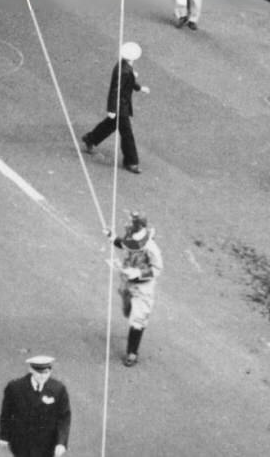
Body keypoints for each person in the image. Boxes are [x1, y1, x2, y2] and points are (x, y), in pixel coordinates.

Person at [81, 42, 147, 173]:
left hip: (121, 104)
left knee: (110, 125)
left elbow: (128, 82)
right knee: (127, 133)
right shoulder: (125, 69)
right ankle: (131, 161)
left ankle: (91, 139)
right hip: (121, 106)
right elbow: (115, 90)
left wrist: (139, 87)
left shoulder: (124, 66)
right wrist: (111, 109)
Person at [113, 211, 163, 366]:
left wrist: (138, 273)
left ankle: (132, 353)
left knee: (137, 321)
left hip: (143, 288)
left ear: (138, 225)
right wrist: (111, 237)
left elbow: (157, 269)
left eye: (131, 222)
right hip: (127, 282)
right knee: (127, 309)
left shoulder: (151, 247)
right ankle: (130, 309)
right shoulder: (131, 237)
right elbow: (125, 245)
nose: (127, 224)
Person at [0, 354, 71, 457]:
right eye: (39, 373)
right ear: (31, 370)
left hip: (48, 444)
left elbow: (64, 418)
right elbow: (6, 413)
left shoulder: (58, 389)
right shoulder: (15, 387)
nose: (43, 376)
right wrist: (3, 436)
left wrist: (61, 443)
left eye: (46, 373)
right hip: (21, 442)